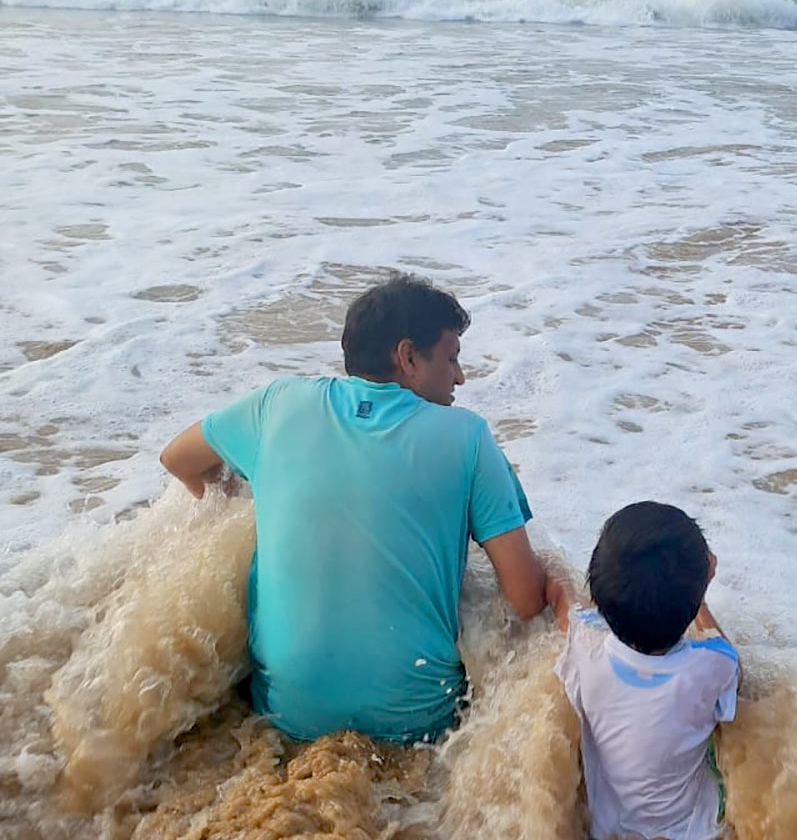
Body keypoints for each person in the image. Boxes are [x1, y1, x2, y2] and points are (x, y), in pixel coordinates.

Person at [160, 273, 565, 743]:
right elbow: (524, 600)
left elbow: (178, 460)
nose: (460, 376)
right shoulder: (468, 438)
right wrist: (559, 586)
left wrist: (256, 508)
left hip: (287, 716)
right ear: (408, 356)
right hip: (418, 720)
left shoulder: (276, 405)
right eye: (452, 358)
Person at [552, 501, 740, 840]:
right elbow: (733, 665)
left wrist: (557, 580)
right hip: (693, 835)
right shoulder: (712, 666)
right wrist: (700, 601)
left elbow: (566, 604)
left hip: (606, 833)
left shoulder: (585, 647)